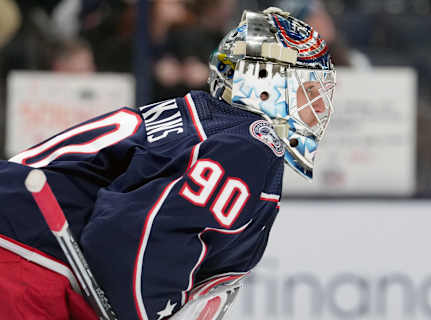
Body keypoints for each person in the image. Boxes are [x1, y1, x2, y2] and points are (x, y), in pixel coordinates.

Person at [0, 7, 335, 320]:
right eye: (310, 91)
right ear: (267, 85)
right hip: (23, 260)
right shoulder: (249, 146)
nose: (320, 109)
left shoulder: (206, 122)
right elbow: (130, 236)